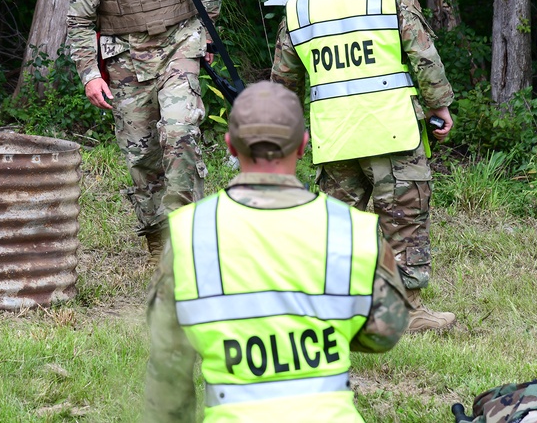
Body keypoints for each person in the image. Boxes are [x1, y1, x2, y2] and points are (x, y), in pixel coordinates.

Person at [144, 81, 410, 422]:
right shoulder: (353, 229)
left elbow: (168, 367)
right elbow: (385, 333)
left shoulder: (187, 232)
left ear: (230, 145)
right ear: (303, 145)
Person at [271, 0, 456, 333]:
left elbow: (283, 82)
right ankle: (407, 312)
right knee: (404, 221)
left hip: (335, 138)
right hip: (391, 131)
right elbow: (422, 56)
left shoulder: (299, 5)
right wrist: (439, 106)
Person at [66, 0, 221, 263]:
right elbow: (79, 20)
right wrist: (88, 74)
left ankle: (189, 237)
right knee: (143, 153)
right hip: (126, 61)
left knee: (180, 129)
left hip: (178, 45)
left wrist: (205, 33)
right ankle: (157, 234)